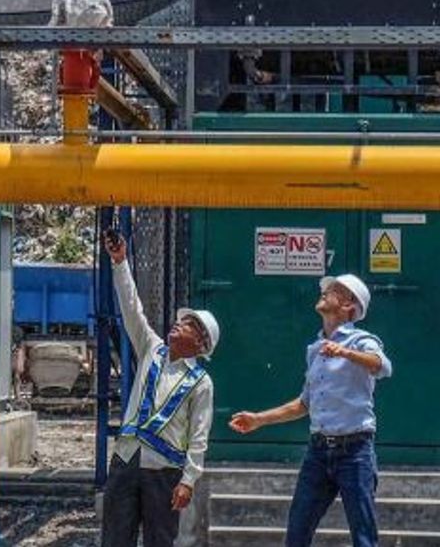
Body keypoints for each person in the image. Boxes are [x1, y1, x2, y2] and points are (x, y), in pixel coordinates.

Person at [228, 274, 393, 547]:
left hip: (355, 452)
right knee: (297, 532)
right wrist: (259, 419)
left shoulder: (361, 340)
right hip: (318, 452)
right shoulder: (315, 349)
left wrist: (345, 353)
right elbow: (305, 404)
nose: (325, 292)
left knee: (364, 537)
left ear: (348, 305)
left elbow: (383, 366)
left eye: (335, 290)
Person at [101, 229, 219, 547]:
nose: (178, 324)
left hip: (164, 471)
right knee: (114, 539)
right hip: (126, 459)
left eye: (188, 325)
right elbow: (132, 309)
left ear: (200, 343)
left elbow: (199, 436)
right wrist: (120, 263)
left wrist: (189, 481)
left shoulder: (200, 383)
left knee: (160, 540)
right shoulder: (151, 349)